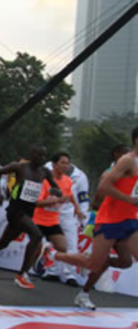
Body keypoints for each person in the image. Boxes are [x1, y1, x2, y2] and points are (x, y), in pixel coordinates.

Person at [44, 127, 137, 310]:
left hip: (130, 219)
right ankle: (52, 254)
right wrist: (129, 199)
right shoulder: (127, 161)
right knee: (92, 263)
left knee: (125, 261)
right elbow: (103, 187)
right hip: (109, 219)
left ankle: (85, 291)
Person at [0, 145, 62, 289]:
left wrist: (55, 191)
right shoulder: (20, 167)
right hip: (16, 210)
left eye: (44, 156)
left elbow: (56, 189)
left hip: (29, 210)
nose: (41, 159)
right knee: (36, 235)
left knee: (3, 242)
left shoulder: (44, 172)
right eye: (38, 155)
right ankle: (22, 275)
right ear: (32, 154)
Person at [34, 152, 85, 281]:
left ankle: (50, 255)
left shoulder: (68, 180)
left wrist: (78, 209)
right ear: (53, 164)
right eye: (62, 163)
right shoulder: (44, 180)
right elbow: (37, 202)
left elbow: (70, 195)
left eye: (67, 163)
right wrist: (56, 201)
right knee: (35, 247)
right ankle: (26, 272)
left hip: (53, 219)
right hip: (38, 219)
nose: (65, 166)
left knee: (62, 247)